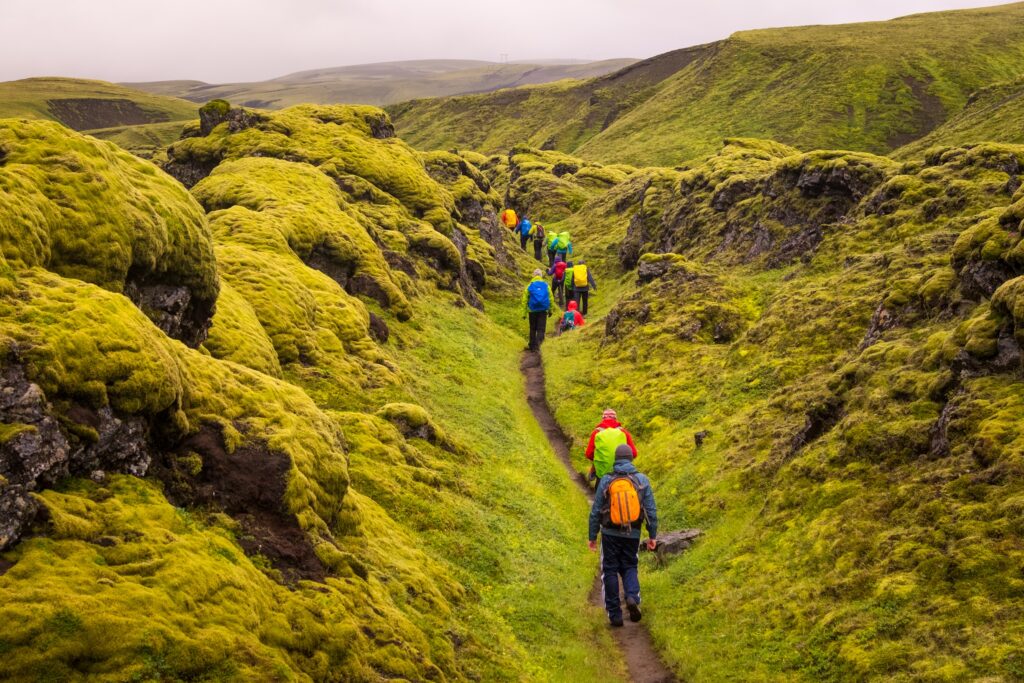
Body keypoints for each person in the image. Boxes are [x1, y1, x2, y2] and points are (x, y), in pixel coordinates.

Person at [589, 444, 658, 627]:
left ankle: (615, 615)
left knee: (610, 569)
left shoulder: (606, 480)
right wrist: (652, 535)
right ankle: (632, 596)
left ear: (616, 459)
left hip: (610, 533)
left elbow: (596, 510)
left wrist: (592, 536)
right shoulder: (641, 480)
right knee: (629, 566)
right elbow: (651, 511)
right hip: (633, 533)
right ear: (630, 459)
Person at [585, 408, 637, 481]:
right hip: (622, 472)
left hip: (602, 471)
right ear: (615, 419)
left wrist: (600, 458)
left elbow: (589, 454)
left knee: (599, 489)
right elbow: (634, 453)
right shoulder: (624, 432)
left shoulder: (596, 432)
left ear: (603, 419)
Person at [521, 268, 554, 352]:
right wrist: (550, 310)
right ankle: (539, 346)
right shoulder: (546, 285)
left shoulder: (530, 285)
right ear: (541, 276)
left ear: (534, 275)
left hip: (532, 310)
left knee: (533, 328)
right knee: (541, 329)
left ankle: (532, 346)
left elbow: (524, 300)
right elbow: (551, 299)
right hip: (543, 310)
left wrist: (524, 313)